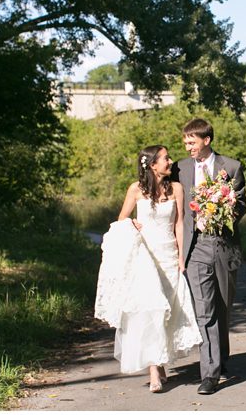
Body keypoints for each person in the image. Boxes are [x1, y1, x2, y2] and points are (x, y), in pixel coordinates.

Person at [95, 145, 202, 393]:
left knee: (167, 312)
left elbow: (179, 224)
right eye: (166, 158)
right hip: (145, 256)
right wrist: (131, 222)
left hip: (168, 255)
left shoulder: (177, 189)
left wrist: (181, 258)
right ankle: (154, 371)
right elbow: (121, 220)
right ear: (153, 164)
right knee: (149, 310)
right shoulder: (136, 189)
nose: (171, 161)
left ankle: (160, 361)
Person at [172, 118, 246, 395]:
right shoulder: (179, 168)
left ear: (206, 140)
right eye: (185, 142)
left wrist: (225, 207)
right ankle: (210, 374)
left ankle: (221, 357)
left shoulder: (232, 167)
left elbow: (241, 205)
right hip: (195, 247)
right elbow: (165, 195)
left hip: (224, 244)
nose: (187, 146)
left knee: (223, 307)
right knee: (205, 311)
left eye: (191, 141)